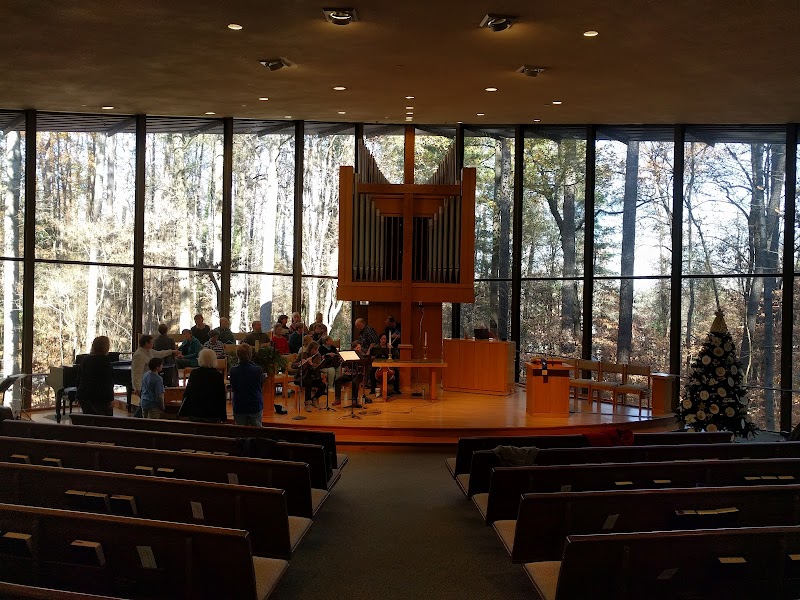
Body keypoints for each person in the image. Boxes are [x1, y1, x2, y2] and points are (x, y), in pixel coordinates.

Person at [178, 348, 227, 423]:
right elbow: (221, 397)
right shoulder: (218, 375)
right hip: (212, 414)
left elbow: (187, 393)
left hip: (195, 413)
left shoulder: (194, 373)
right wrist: (223, 417)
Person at [76, 335, 115, 416]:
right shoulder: (105, 361)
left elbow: (79, 378)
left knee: (89, 420)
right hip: (101, 397)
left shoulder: (85, 359)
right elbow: (108, 382)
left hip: (85, 396)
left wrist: (79, 396)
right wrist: (111, 398)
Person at [132, 334, 178, 399]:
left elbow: (160, 353)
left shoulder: (149, 351)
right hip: (144, 382)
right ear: (146, 343)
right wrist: (137, 387)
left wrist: (172, 351)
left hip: (150, 380)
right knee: (147, 402)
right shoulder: (139, 355)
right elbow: (137, 373)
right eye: (151, 342)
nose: (153, 343)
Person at [229, 343, 264, 426]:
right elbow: (260, 386)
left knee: (241, 433)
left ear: (238, 355)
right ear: (250, 354)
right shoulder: (257, 370)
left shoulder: (233, 370)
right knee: (257, 433)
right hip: (254, 404)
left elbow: (233, 388)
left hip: (239, 405)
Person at [293, 340, 326, 411]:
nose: (316, 351)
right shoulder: (303, 354)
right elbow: (293, 365)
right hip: (301, 377)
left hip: (313, 377)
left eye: (317, 349)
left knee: (323, 386)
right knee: (308, 383)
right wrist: (300, 363)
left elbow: (318, 367)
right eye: (315, 349)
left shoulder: (318, 356)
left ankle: (314, 398)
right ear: (310, 349)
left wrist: (311, 364)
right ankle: (307, 403)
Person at [334, 341, 367, 407]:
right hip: (349, 374)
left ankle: (354, 401)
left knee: (355, 382)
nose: (359, 349)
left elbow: (363, 366)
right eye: (357, 348)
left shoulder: (362, 355)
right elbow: (343, 365)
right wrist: (343, 361)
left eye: (360, 348)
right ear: (353, 349)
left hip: (359, 374)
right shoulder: (350, 355)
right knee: (338, 380)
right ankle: (338, 399)